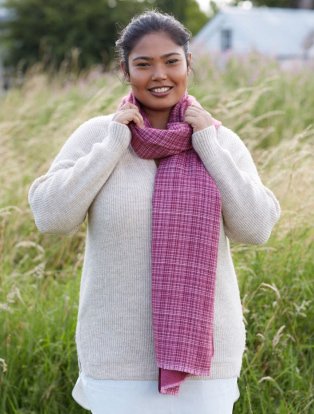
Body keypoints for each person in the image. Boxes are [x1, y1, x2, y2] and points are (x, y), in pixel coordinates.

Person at [28, 11, 281, 414]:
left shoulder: (218, 139)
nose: (159, 74)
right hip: (117, 361)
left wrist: (208, 146)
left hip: (206, 366)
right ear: (125, 71)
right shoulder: (99, 134)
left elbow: (256, 228)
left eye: (171, 61)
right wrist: (113, 143)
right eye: (143, 64)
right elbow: (50, 217)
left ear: (187, 65)